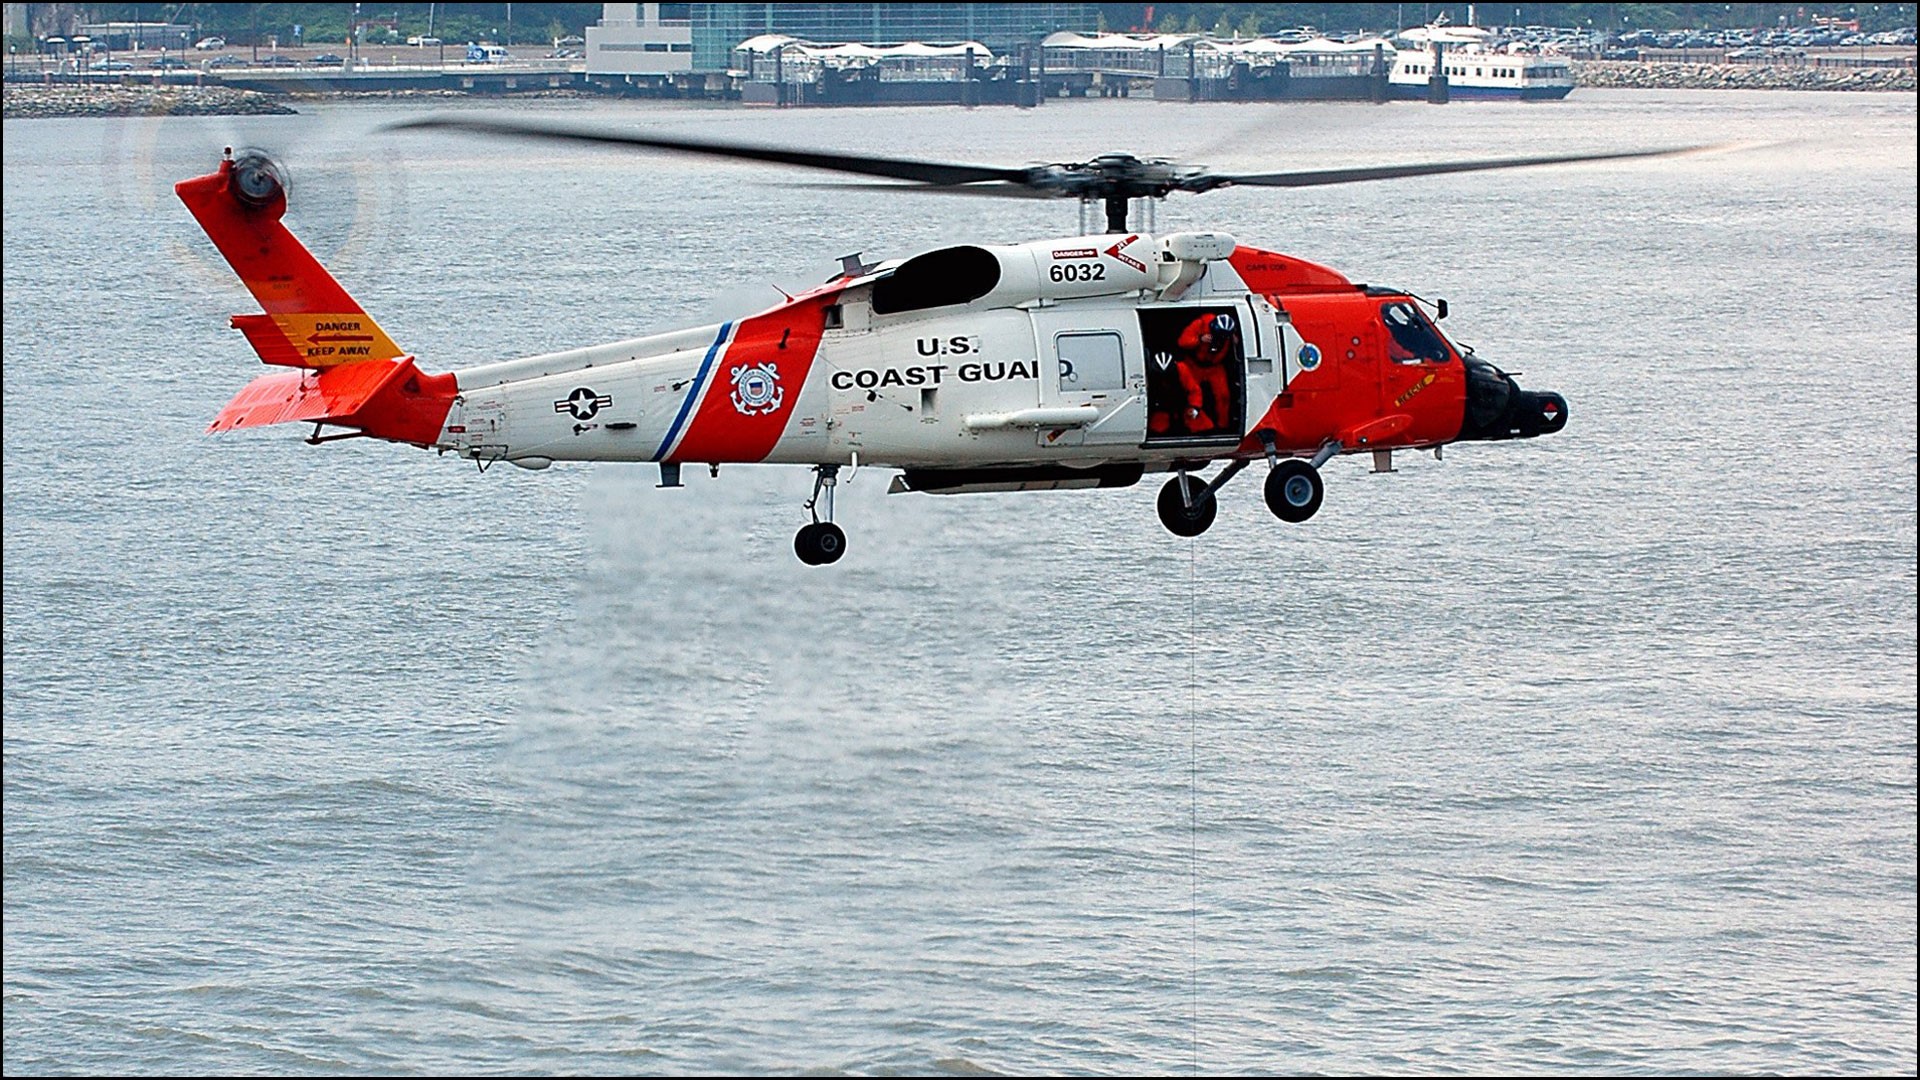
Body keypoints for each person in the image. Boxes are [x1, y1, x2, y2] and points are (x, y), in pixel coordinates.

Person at [1173, 312, 1235, 435]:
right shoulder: (1200, 324)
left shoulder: (1229, 333)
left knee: (1223, 396)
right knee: (1190, 395)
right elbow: (1182, 341)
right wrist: (1199, 339)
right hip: (1195, 365)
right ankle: (1190, 427)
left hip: (1215, 367)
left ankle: (1223, 427)